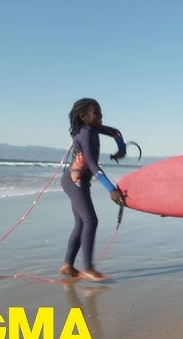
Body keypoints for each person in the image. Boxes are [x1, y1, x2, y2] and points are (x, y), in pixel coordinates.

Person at [59, 98, 126, 281]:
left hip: (79, 183)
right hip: (75, 182)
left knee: (81, 223)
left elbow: (116, 132)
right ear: (83, 116)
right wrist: (111, 189)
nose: (101, 117)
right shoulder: (85, 134)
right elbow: (92, 164)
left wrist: (121, 149)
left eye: (101, 113)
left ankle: (67, 265)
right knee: (91, 220)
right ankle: (88, 268)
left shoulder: (94, 128)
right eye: (96, 114)